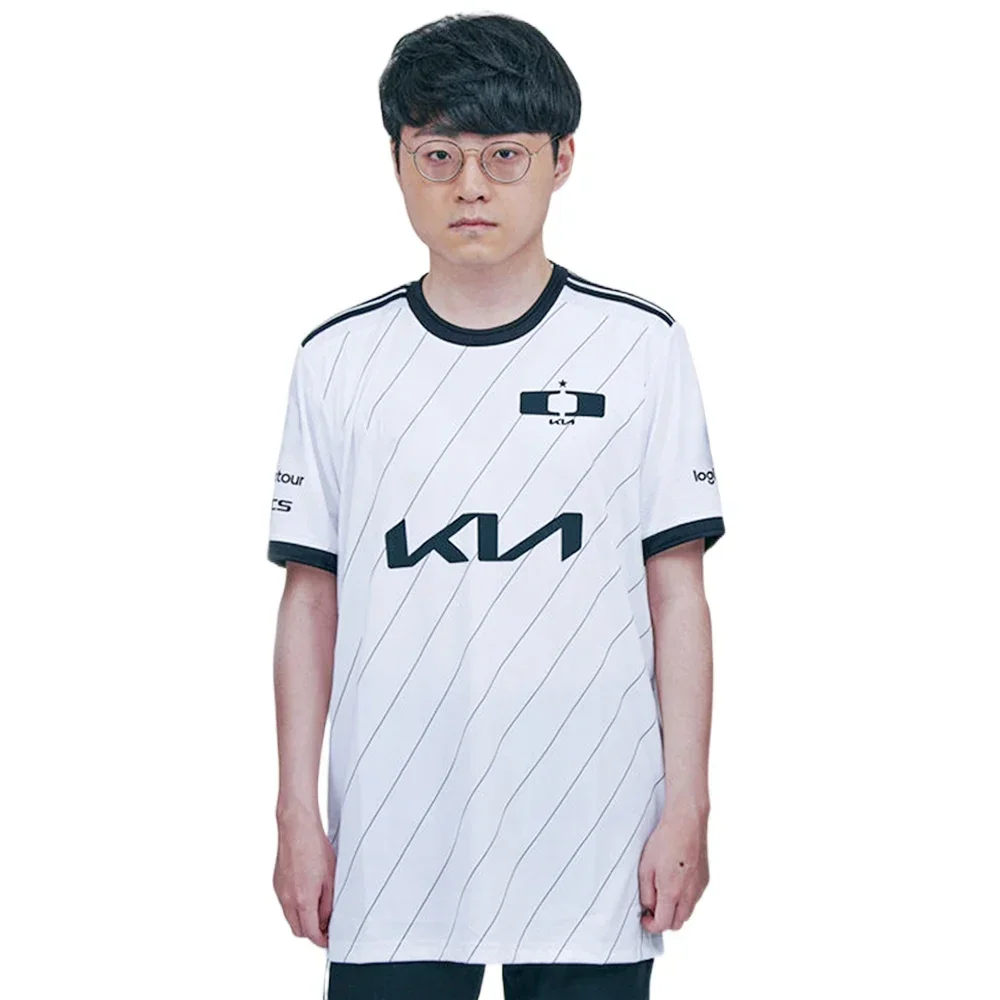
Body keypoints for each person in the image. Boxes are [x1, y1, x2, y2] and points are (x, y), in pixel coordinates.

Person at [267, 13, 725, 1000]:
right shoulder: (336, 360)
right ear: (397, 163)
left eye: (503, 155)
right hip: (392, 830)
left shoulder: (639, 347)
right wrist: (296, 812)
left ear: (561, 160)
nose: (469, 186)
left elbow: (676, 593)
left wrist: (687, 802)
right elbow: (311, 595)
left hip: (593, 828)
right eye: (438, 155)